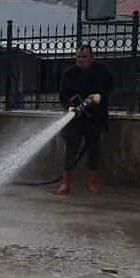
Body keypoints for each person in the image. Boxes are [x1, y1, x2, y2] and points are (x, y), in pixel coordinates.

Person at [57, 43, 115, 196]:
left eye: (84, 57)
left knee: (93, 150)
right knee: (71, 150)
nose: (81, 60)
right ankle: (66, 183)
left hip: (94, 118)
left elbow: (110, 85)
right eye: (78, 57)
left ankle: (92, 182)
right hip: (75, 118)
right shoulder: (69, 74)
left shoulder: (101, 70)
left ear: (91, 57)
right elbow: (63, 95)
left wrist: (100, 97)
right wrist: (70, 107)